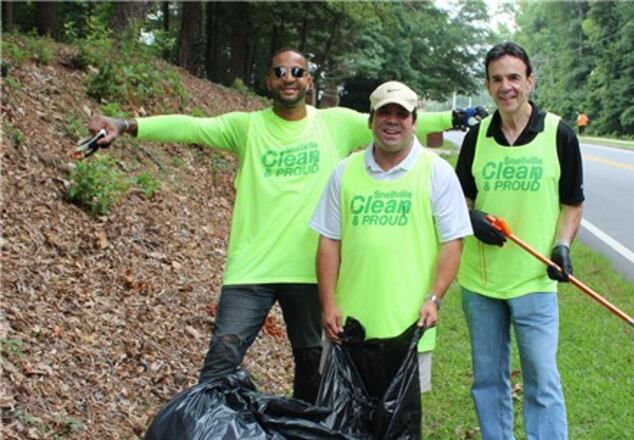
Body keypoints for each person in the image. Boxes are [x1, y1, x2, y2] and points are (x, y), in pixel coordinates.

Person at [85, 48, 475, 404]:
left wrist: (458, 117)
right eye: (279, 71)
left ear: (309, 81)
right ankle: (206, 426)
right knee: (220, 361)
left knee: (313, 369)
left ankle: (305, 429)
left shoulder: (335, 124)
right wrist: (127, 124)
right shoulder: (247, 127)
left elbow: (398, 121)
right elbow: (191, 127)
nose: (289, 77)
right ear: (268, 81)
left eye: (297, 71)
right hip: (251, 269)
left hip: (309, 271)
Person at [455, 42, 584, 440]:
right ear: (487, 85)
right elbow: (461, 201)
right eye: (497, 79)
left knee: (542, 382)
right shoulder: (476, 138)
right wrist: (472, 219)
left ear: (530, 80)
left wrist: (561, 246)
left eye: (514, 77)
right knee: (488, 380)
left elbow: (572, 203)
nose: (506, 86)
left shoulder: (558, 134)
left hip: (535, 281)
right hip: (481, 283)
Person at [310, 81, 472, 393]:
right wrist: (328, 304)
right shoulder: (344, 172)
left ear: (414, 122)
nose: (393, 120)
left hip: (409, 327)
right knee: (341, 419)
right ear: (371, 120)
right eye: (385, 112)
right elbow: (329, 240)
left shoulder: (436, 172)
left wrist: (434, 298)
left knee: (399, 423)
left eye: (402, 113)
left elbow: (452, 242)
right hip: (347, 326)